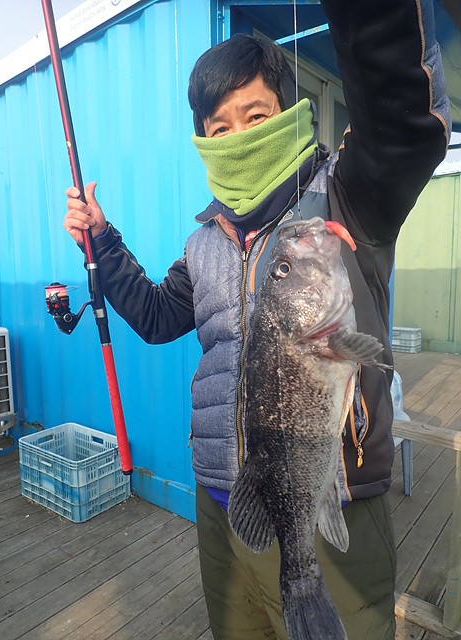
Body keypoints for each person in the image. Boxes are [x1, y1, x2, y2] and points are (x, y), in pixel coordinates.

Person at [64, 1, 451, 638]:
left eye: (256, 116)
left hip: (331, 503)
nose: (238, 137)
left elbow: (402, 120)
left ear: (290, 111)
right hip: (224, 508)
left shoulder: (349, 196)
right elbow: (158, 318)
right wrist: (103, 243)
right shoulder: (204, 242)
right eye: (218, 128)